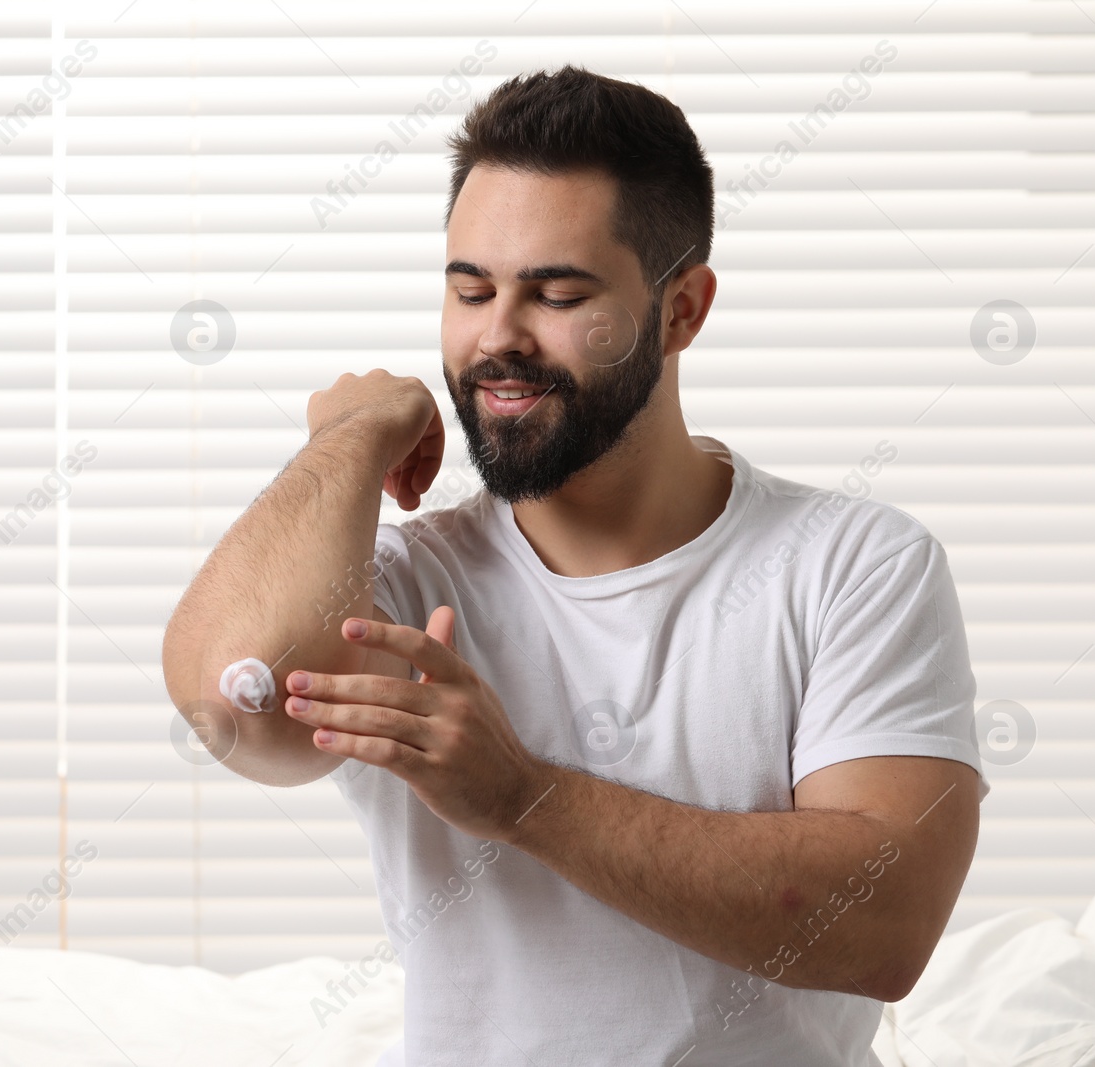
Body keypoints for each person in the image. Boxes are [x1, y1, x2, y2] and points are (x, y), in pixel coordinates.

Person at [163, 65, 986, 1066]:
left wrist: (519, 795)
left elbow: (882, 926)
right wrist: (350, 437)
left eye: (555, 294)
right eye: (470, 290)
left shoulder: (851, 564)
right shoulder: (408, 586)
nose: (497, 338)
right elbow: (232, 707)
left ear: (682, 310)